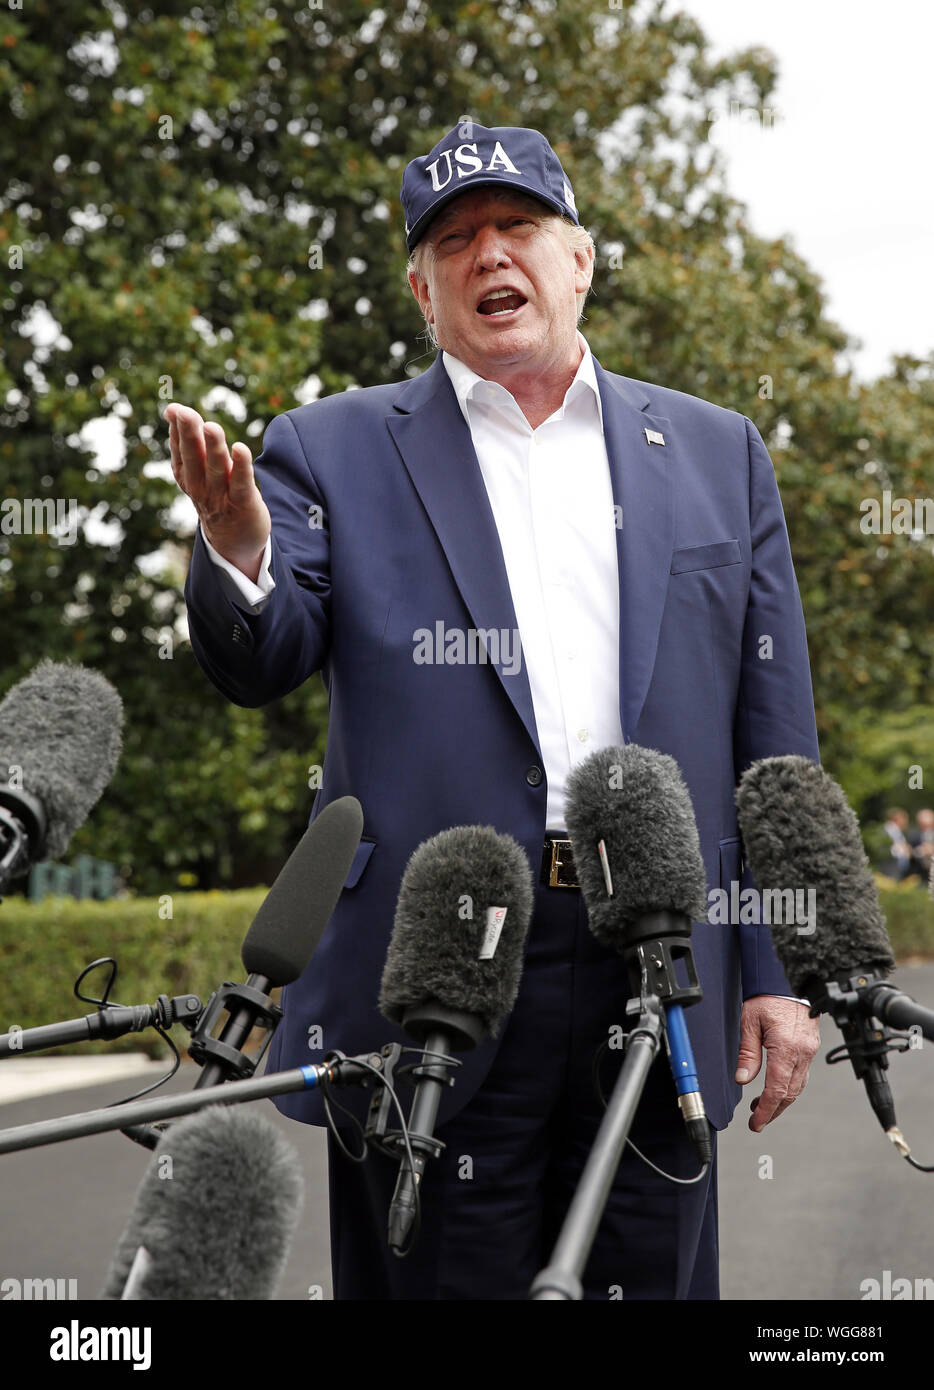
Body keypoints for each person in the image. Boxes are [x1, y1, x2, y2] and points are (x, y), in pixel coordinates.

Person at [167, 122, 821, 1300]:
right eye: (454, 240)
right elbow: (264, 653)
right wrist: (236, 548)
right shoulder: (329, 447)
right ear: (424, 293)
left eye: (517, 227)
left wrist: (776, 970)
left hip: (657, 957)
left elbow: (773, 742)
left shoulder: (720, 452)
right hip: (437, 968)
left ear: (579, 262)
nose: (488, 254)